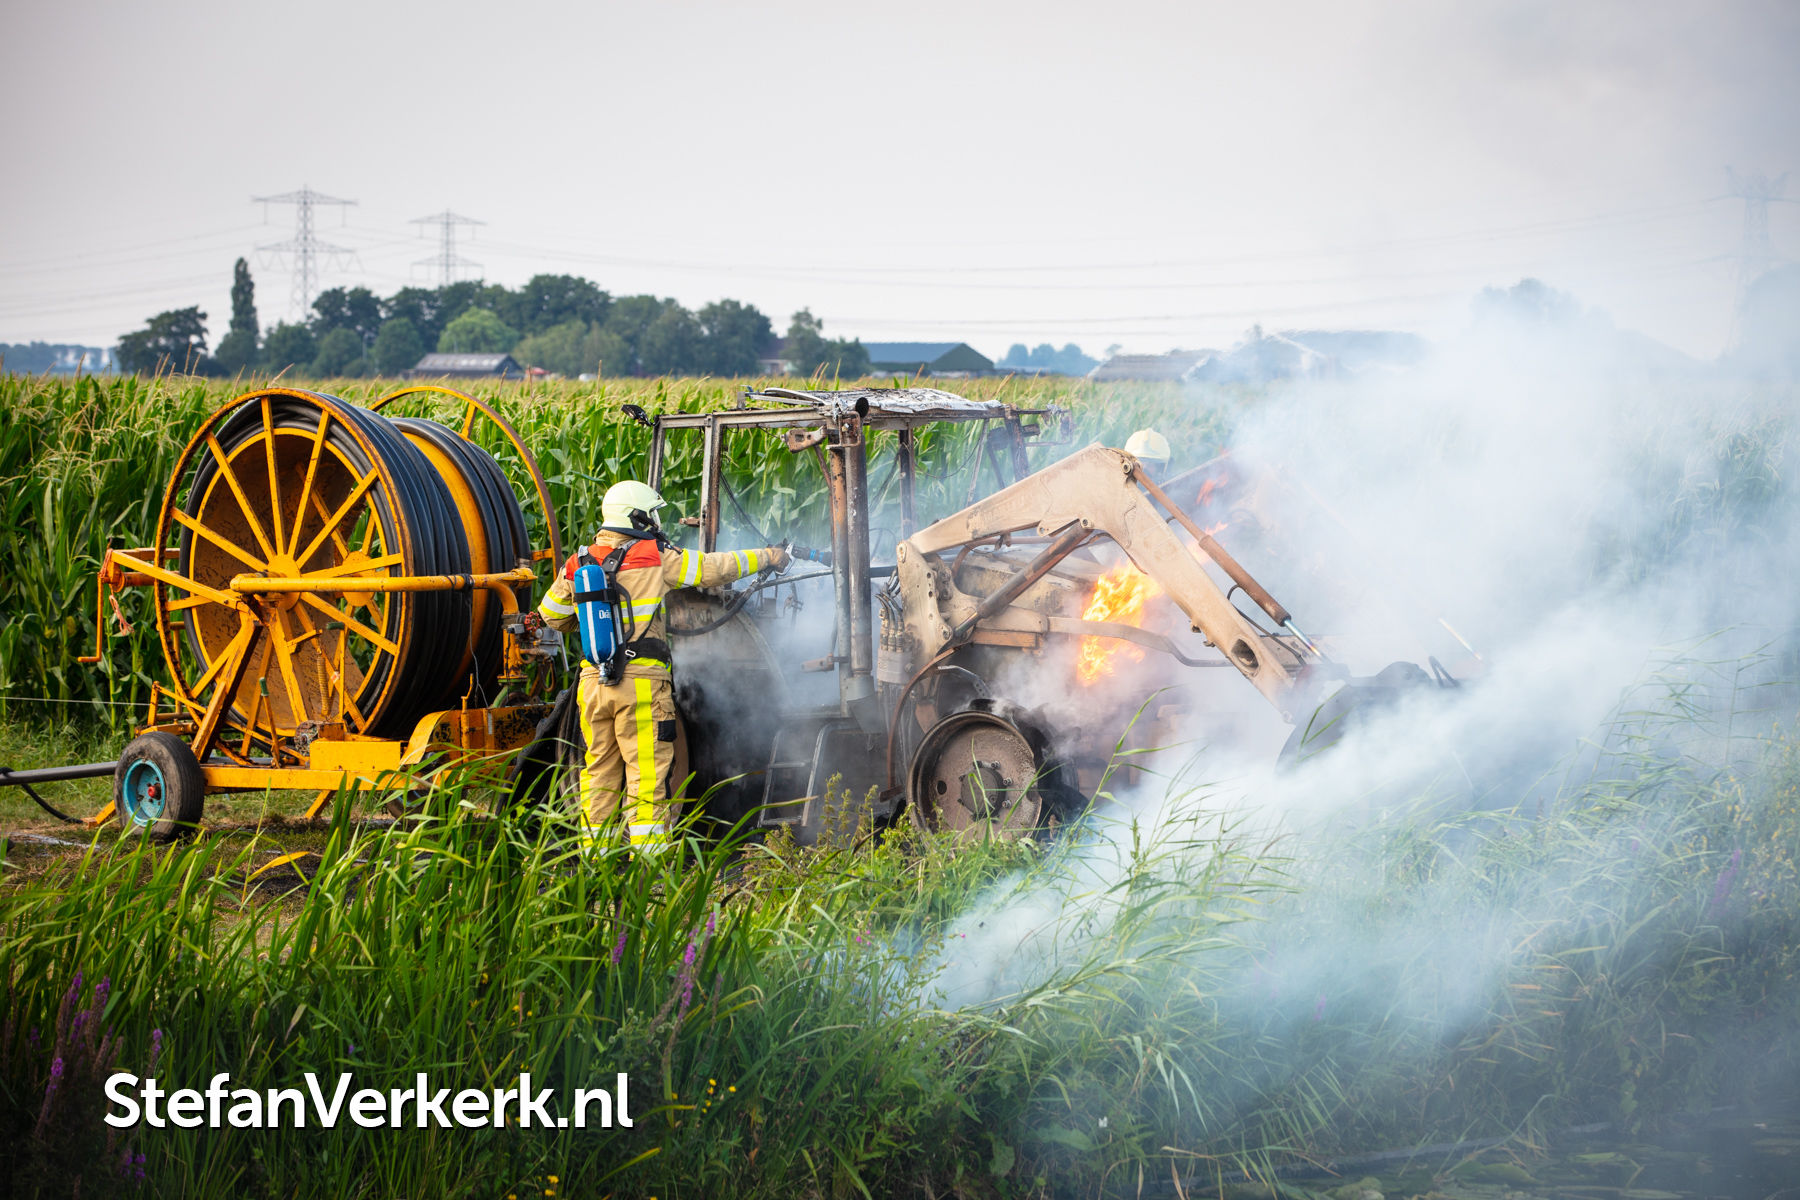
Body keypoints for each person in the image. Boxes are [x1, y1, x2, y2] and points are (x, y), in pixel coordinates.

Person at [532, 479, 789, 852]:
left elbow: (551, 615)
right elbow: (714, 569)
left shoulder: (578, 562)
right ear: (635, 517)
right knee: (648, 773)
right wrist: (768, 556)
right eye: (650, 514)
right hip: (639, 683)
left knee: (598, 772)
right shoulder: (654, 557)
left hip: (594, 684)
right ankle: (648, 866)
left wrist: (589, 622)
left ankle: (596, 862)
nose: (655, 521)